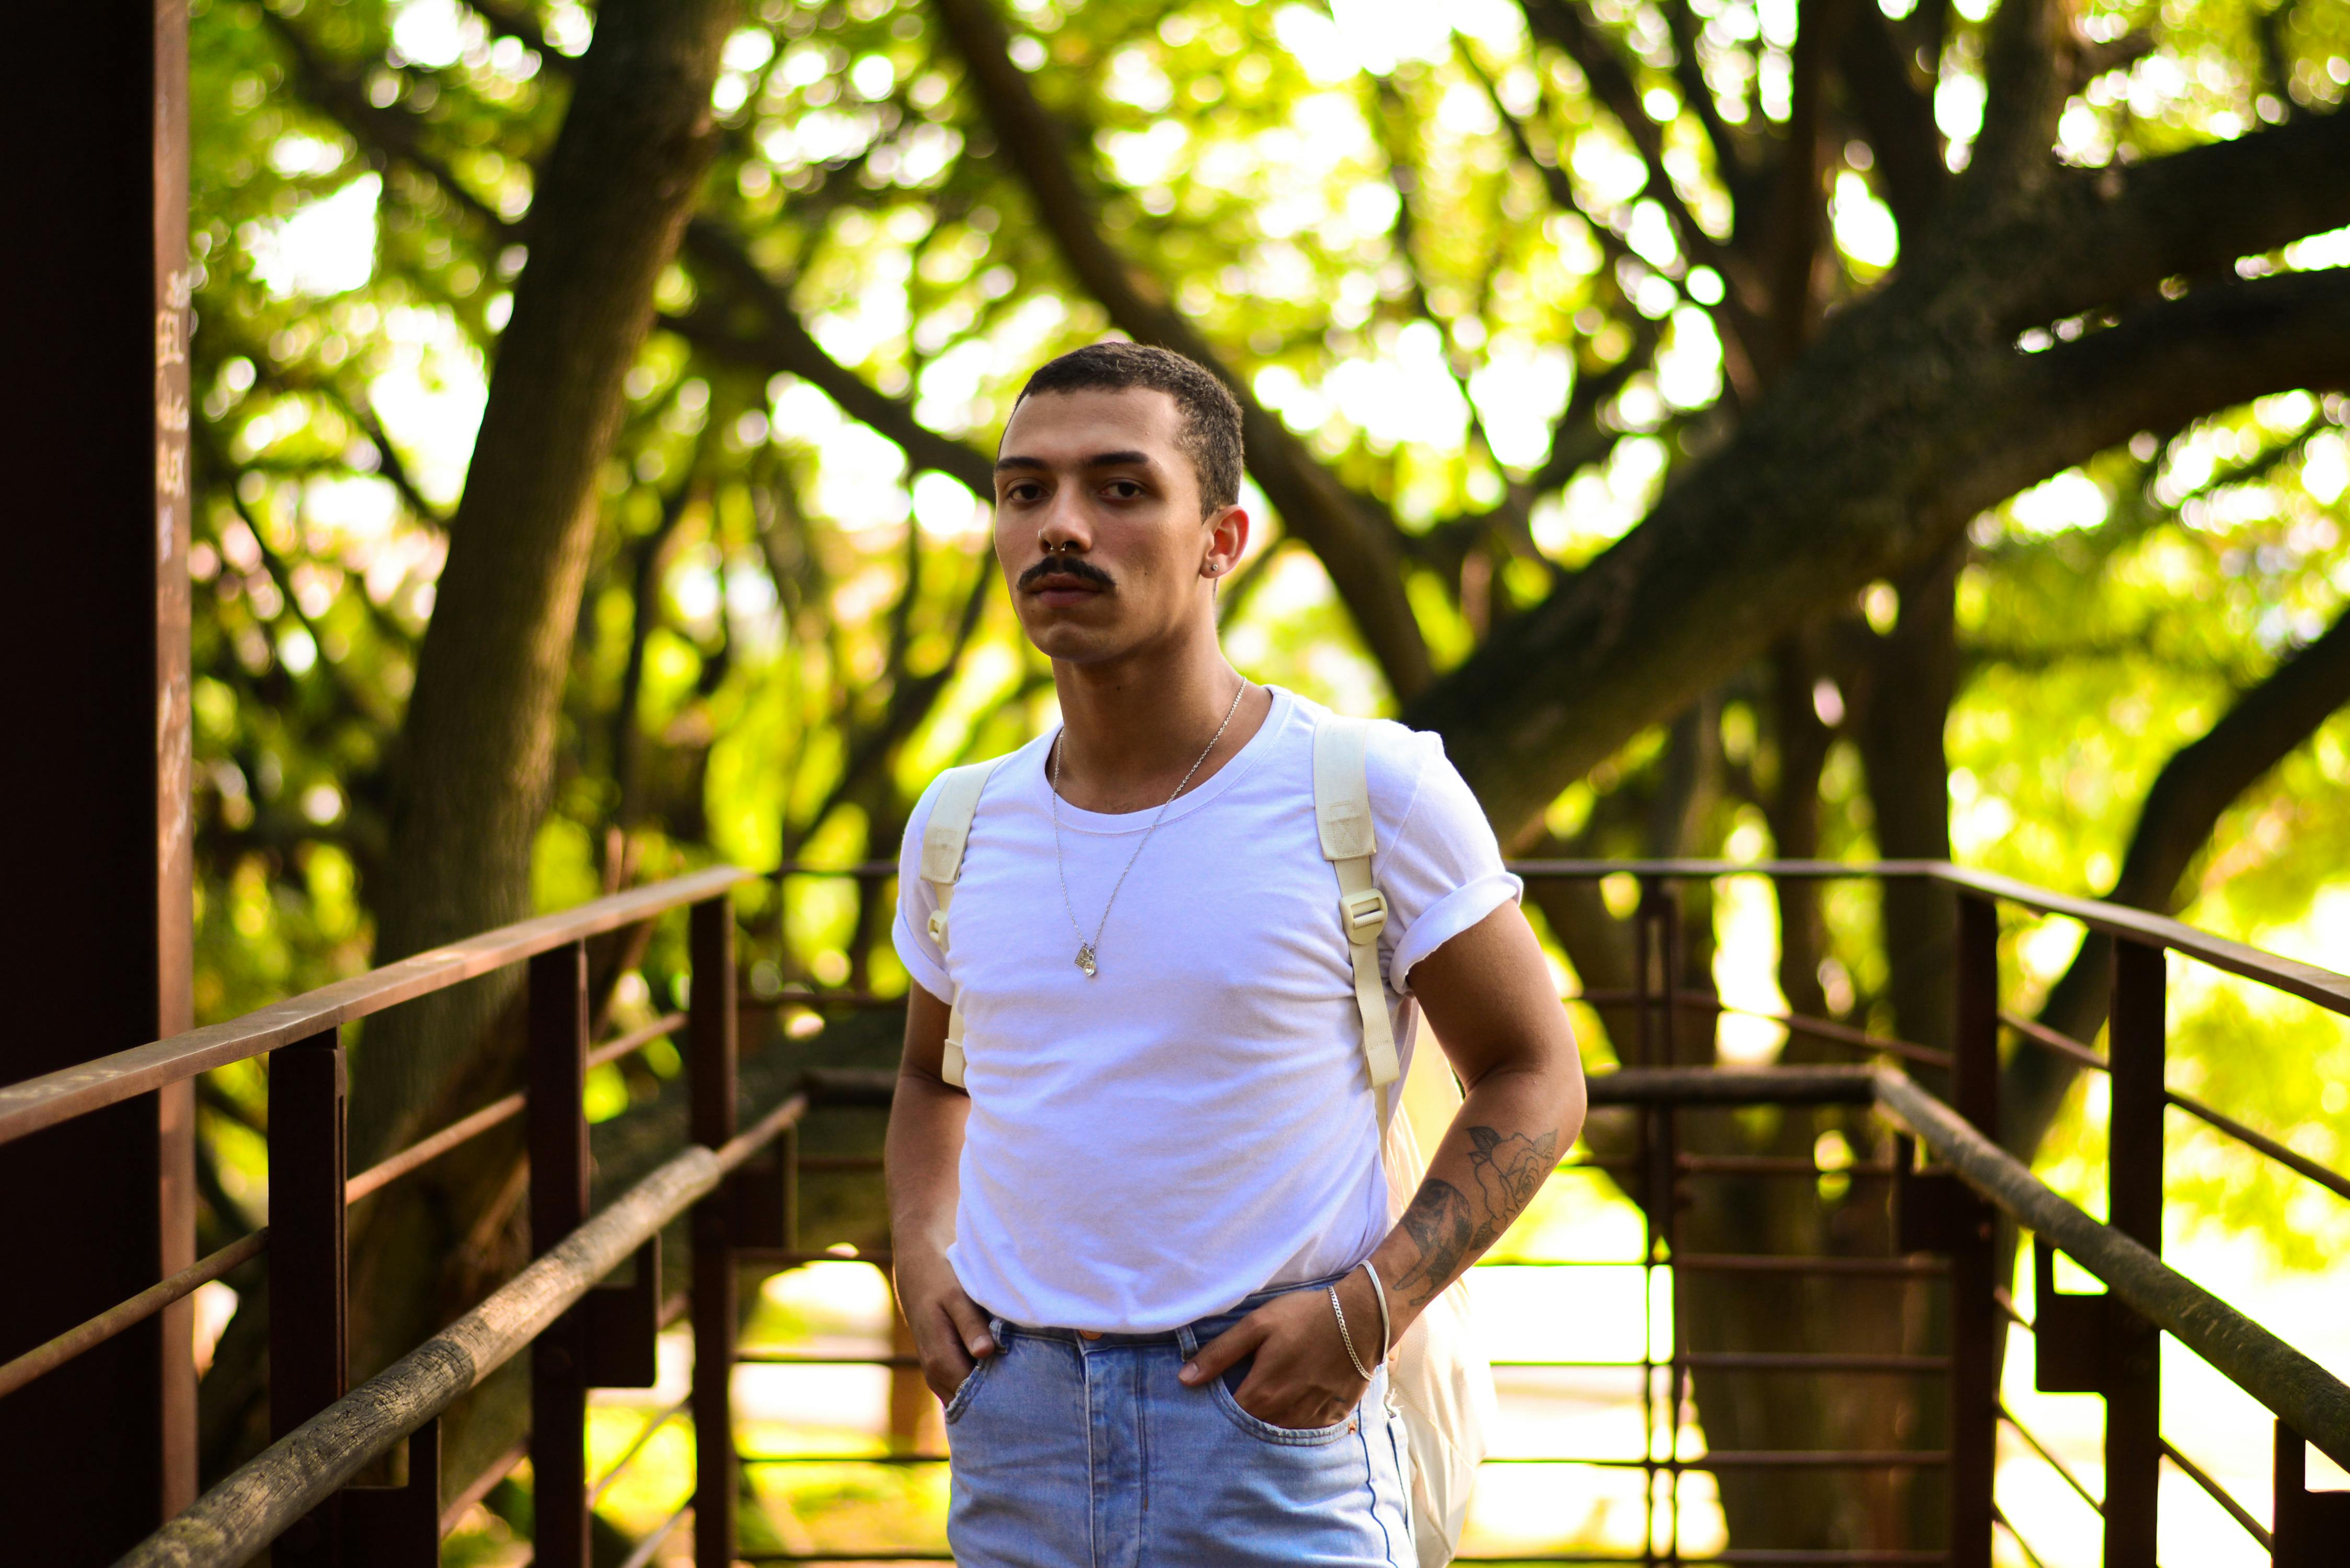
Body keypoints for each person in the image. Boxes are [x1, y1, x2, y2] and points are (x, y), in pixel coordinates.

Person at [884, 340, 1587, 1566]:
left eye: (1119, 488)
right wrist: (916, 1252)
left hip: (1272, 1429)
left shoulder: (1369, 788)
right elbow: (930, 1081)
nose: (1060, 526)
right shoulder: (958, 823)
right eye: (1023, 491)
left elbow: (1536, 1073)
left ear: (1222, 538)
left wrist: (1368, 1313)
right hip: (1016, 1432)